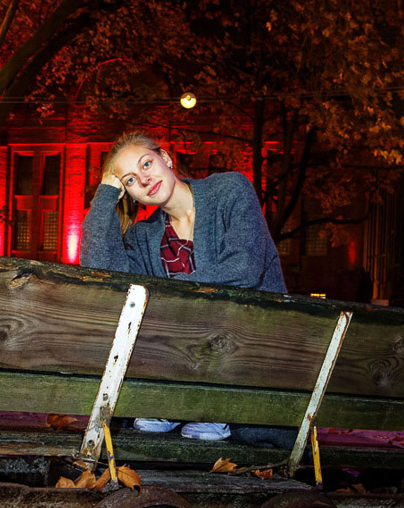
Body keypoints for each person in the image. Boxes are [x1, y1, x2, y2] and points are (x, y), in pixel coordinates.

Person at [81, 131, 289, 444]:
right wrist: (106, 195)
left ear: (166, 158)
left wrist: (168, 293)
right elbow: (108, 284)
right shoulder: (143, 237)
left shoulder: (230, 190)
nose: (144, 179)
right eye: (130, 180)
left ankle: (209, 405)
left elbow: (243, 268)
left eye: (147, 164)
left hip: (253, 350)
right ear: (130, 194)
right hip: (185, 356)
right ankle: (177, 402)